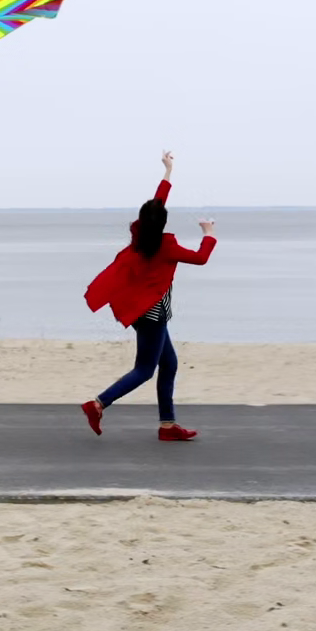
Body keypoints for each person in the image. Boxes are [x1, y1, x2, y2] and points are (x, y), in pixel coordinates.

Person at [80, 151, 217, 441]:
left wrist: (168, 171)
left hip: (141, 310)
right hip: (153, 314)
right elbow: (201, 258)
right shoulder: (166, 247)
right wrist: (209, 233)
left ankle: (168, 426)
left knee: (169, 364)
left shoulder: (140, 234)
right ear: (163, 223)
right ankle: (98, 404)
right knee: (144, 369)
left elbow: (157, 205)